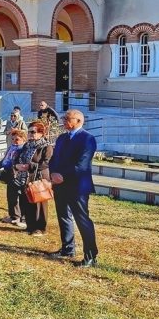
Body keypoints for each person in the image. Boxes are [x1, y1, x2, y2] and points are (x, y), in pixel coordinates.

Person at [49, 109, 98, 267]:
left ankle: (90, 256)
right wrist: (52, 173)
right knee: (63, 216)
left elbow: (82, 165)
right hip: (59, 184)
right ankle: (67, 248)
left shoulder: (87, 139)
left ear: (78, 121)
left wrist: (61, 175)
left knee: (82, 220)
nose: (64, 121)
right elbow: (53, 158)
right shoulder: (62, 138)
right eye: (64, 118)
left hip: (77, 186)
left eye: (67, 119)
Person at [13, 120, 53, 236]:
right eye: (29, 131)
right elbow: (19, 156)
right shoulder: (27, 145)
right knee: (27, 201)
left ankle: (40, 228)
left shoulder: (46, 147)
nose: (30, 134)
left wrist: (29, 166)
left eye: (33, 132)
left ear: (41, 133)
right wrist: (17, 165)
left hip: (39, 178)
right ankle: (30, 226)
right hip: (26, 178)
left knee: (39, 203)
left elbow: (46, 163)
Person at [0, 128, 28, 229]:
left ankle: (18, 216)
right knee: (10, 196)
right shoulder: (11, 147)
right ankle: (12, 215)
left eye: (17, 139)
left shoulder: (23, 149)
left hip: (17, 175)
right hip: (8, 173)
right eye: (13, 139)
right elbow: (5, 160)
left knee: (17, 197)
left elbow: (20, 162)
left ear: (23, 139)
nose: (14, 141)